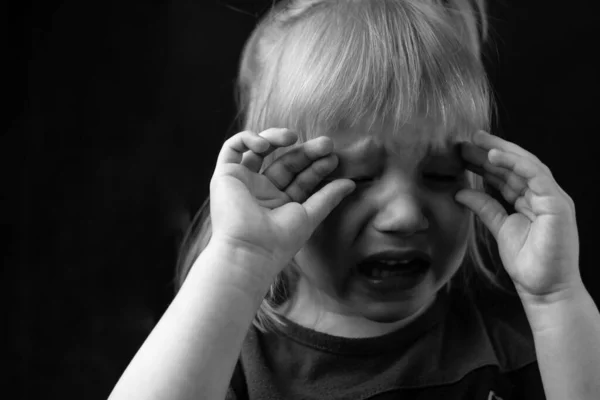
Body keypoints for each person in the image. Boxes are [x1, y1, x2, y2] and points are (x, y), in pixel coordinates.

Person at [108, 1, 600, 399]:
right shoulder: (223, 360)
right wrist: (241, 259)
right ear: (277, 184)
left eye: (439, 174)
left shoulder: (521, 352)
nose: (405, 215)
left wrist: (555, 298)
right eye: (358, 179)